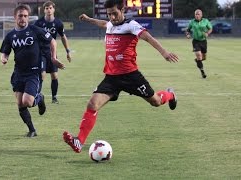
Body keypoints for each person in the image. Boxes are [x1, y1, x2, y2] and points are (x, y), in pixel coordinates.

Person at [63, 0, 179, 153]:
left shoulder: (131, 25)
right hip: (111, 77)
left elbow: (149, 37)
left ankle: (170, 94)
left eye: (115, 13)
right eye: (109, 14)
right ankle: (79, 141)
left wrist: (164, 52)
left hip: (131, 76)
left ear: (122, 9)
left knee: (156, 101)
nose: (112, 17)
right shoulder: (110, 24)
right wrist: (89, 19)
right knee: (92, 105)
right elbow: (103, 24)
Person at [0, 4, 65, 137]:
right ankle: (32, 130)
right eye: (20, 16)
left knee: (28, 102)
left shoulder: (35, 30)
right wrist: (4, 59)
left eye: (25, 16)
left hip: (34, 72)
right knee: (20, 103)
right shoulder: (10, 35)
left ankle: (39, 98)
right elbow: (5, 52)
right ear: (15, 17)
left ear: (28, 17)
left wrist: (53, 58)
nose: (23, 18)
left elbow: (53, 41)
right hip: (18, 73)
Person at [34, 1, 71, 104]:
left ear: (53, 9)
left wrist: (67, 51)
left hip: (52, 52)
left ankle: (54, 98)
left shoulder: (58, 23)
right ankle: (38, 96)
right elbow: (33, 37)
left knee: (54, 75)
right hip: (41, 52)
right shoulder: (39, 23)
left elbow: (63, 37)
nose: (48, 10)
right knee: (42, 75)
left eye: (50, 8)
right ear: (44, 10)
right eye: (46, 8)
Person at [185, 9, 212, 79]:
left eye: (198, 14)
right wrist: (187, 34)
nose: (197, 15)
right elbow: (188, 30)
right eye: (196, 14)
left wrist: (207, 33)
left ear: (201, 15)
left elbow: (210, 29)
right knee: (199, 55)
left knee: (204, 58)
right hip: (195, 41)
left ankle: (198, 61)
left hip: (203, 41)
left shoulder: (205, 21)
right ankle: (202, 72)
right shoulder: (192, 22)